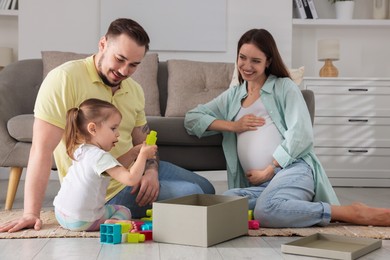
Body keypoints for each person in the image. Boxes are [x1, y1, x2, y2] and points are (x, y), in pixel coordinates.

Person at [0, 18, 215, 233]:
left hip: (134, 168)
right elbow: (41, 150)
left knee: (207, 189)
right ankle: (122, 215)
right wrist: (30, 213)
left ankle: (163, 210)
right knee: (192, 192)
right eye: (120, 59)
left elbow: (143, 143)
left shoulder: (135, 90)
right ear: (103, 44)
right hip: (107, 189)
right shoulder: (64, 79)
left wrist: (150, 172)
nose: (124, 70)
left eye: (134, 65)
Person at [184, 28, 390, 228]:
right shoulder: (233, 96)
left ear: (268, 62)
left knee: (265, 211)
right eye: (242, 57)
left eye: (255, 61)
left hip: (293, 169)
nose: (247, 66)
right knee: (227, 200)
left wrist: (270, 169)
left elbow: (301, 135)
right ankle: (288, 207)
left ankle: (348, 212)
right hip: (259, 186)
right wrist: (233, 125)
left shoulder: (284, 87)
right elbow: (192, 118)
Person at [54, 98, 157, 231]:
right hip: (82, 221)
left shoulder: (82, 150)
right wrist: (143, 156)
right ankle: (113, 223)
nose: (118, 133)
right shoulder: (100, 156)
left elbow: (113, 169)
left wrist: (133, 153)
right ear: (93, 129)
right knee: (124, 210)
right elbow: (130, 179)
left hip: (61, 213)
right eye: (113, 128)